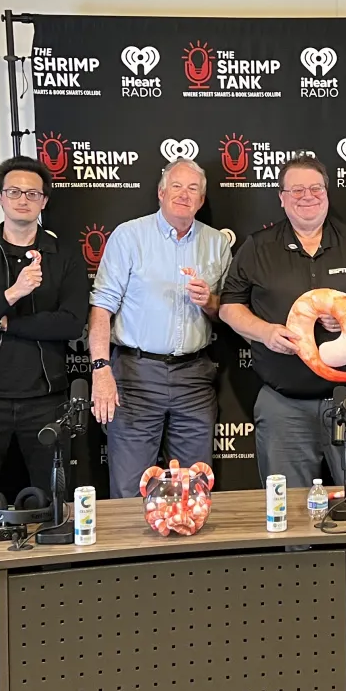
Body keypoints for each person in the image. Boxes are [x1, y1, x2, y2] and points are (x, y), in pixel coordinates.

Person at [219, 154, 346, 487]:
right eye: (296, 190)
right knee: (288, 513)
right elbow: (229, 308)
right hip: (284, 405)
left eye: (315, 188)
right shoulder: (257, 247)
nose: (307, 196)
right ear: (281, 197)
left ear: (328, 192)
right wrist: (264, 332)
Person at [0, 156, 89, 510]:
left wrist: (5, 322)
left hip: (46, 401)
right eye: (14, 191)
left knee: (52, 502)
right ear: (0, 197)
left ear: (44, 201)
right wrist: (14, 293)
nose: (22, 199)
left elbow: (70, 324)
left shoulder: (65, 256)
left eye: (32, 193)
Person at [89, 160, 230, 498]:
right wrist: (100, 369)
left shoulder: (216, 243)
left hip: (194, 377)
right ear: (161, 193)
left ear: (201, 199)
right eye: (177, 186)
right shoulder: (129, 236)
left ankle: (189, 551)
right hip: (136, 375)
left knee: (195, 488)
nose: (184, 194)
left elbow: (224, 312)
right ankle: (132, 553)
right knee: (129, 490)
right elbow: (101, 307)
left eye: (193, 189)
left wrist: (210, 301)